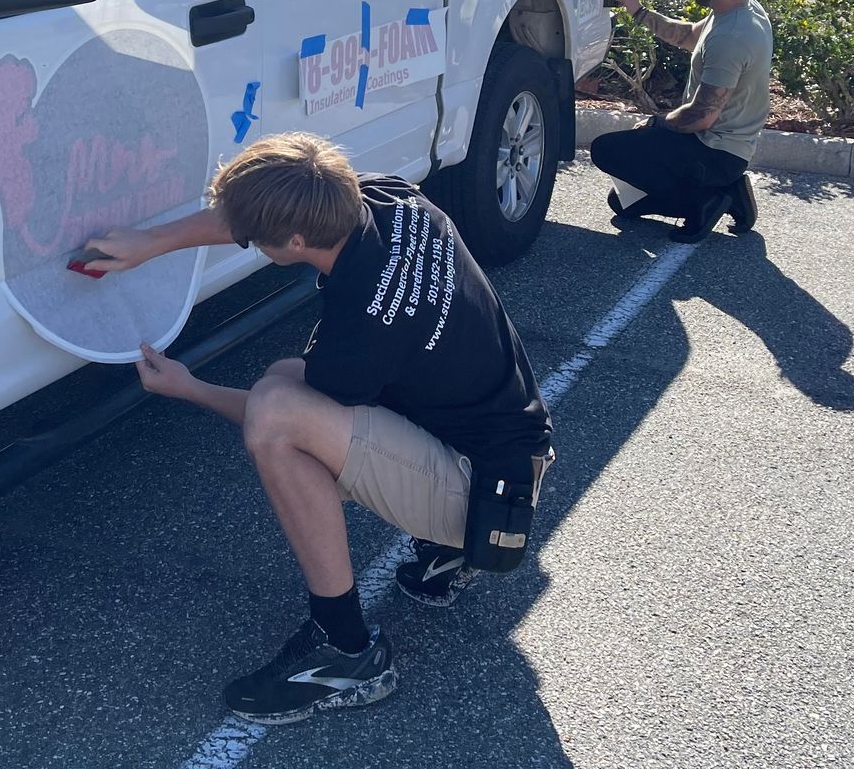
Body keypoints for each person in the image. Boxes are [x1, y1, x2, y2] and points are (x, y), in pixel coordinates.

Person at [80, 132, 553, 726]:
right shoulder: (386, 197)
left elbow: (278, 420)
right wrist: (151, 244)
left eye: (254, 240)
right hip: (505, 443)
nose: (247, 241)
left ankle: (347, 650)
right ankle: (444, 552)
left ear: (296, 242)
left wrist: (190, 388)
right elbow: (264, 213)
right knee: (284, 378)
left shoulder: (362, 330)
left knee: (278, 415)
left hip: (485, 494)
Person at [591, 0, 772, 242]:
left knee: (604, 151)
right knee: (621, 202)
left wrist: (655, 123)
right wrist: (639, 11)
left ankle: (708, 199)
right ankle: (722, 191)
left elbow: (701, 117)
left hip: (713, 150)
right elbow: (688, 36)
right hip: (717, 145)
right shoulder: (740, 9)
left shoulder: (732, 37)